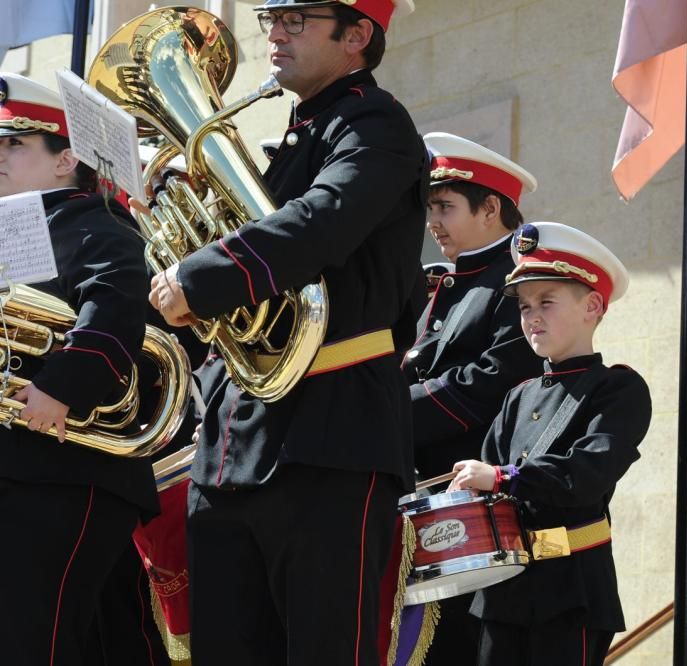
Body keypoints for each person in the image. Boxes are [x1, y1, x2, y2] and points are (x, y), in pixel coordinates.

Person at [146, 1, 428, 663]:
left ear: (357, 34)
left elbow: (324, 219)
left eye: (297, 19)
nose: (274, 31)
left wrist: (203, 272)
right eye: (272, 16)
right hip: (230, 449)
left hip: (332, 439)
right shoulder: (293, 140)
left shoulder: (376, 124)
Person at [0, 73, 156, 666]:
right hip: (28, 468)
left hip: (68, 469)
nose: (0, 156)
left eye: (15, 144)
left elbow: (114, 306)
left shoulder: (95, 223)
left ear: (66, 158)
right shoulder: (9, 230)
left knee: (30, 640)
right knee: (109, 643)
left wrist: (60, 386)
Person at [449, 222, 652, 666]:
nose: (531, 317)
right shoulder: (518, 396)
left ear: (592, 306)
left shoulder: (617, 389)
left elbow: (586, 473)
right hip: (504, 591)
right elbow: (486, 484)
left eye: (546, 302)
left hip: (571, 590)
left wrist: (502, 477)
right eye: (524, 307)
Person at [401, 132, 544, 663]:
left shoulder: (517, 282)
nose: (433, 221)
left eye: (445, 206)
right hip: (423, 502)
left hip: (476, 512)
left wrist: (385, 414)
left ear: (490, 209)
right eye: (430, 207)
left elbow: (487, 384)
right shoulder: (440, 283)